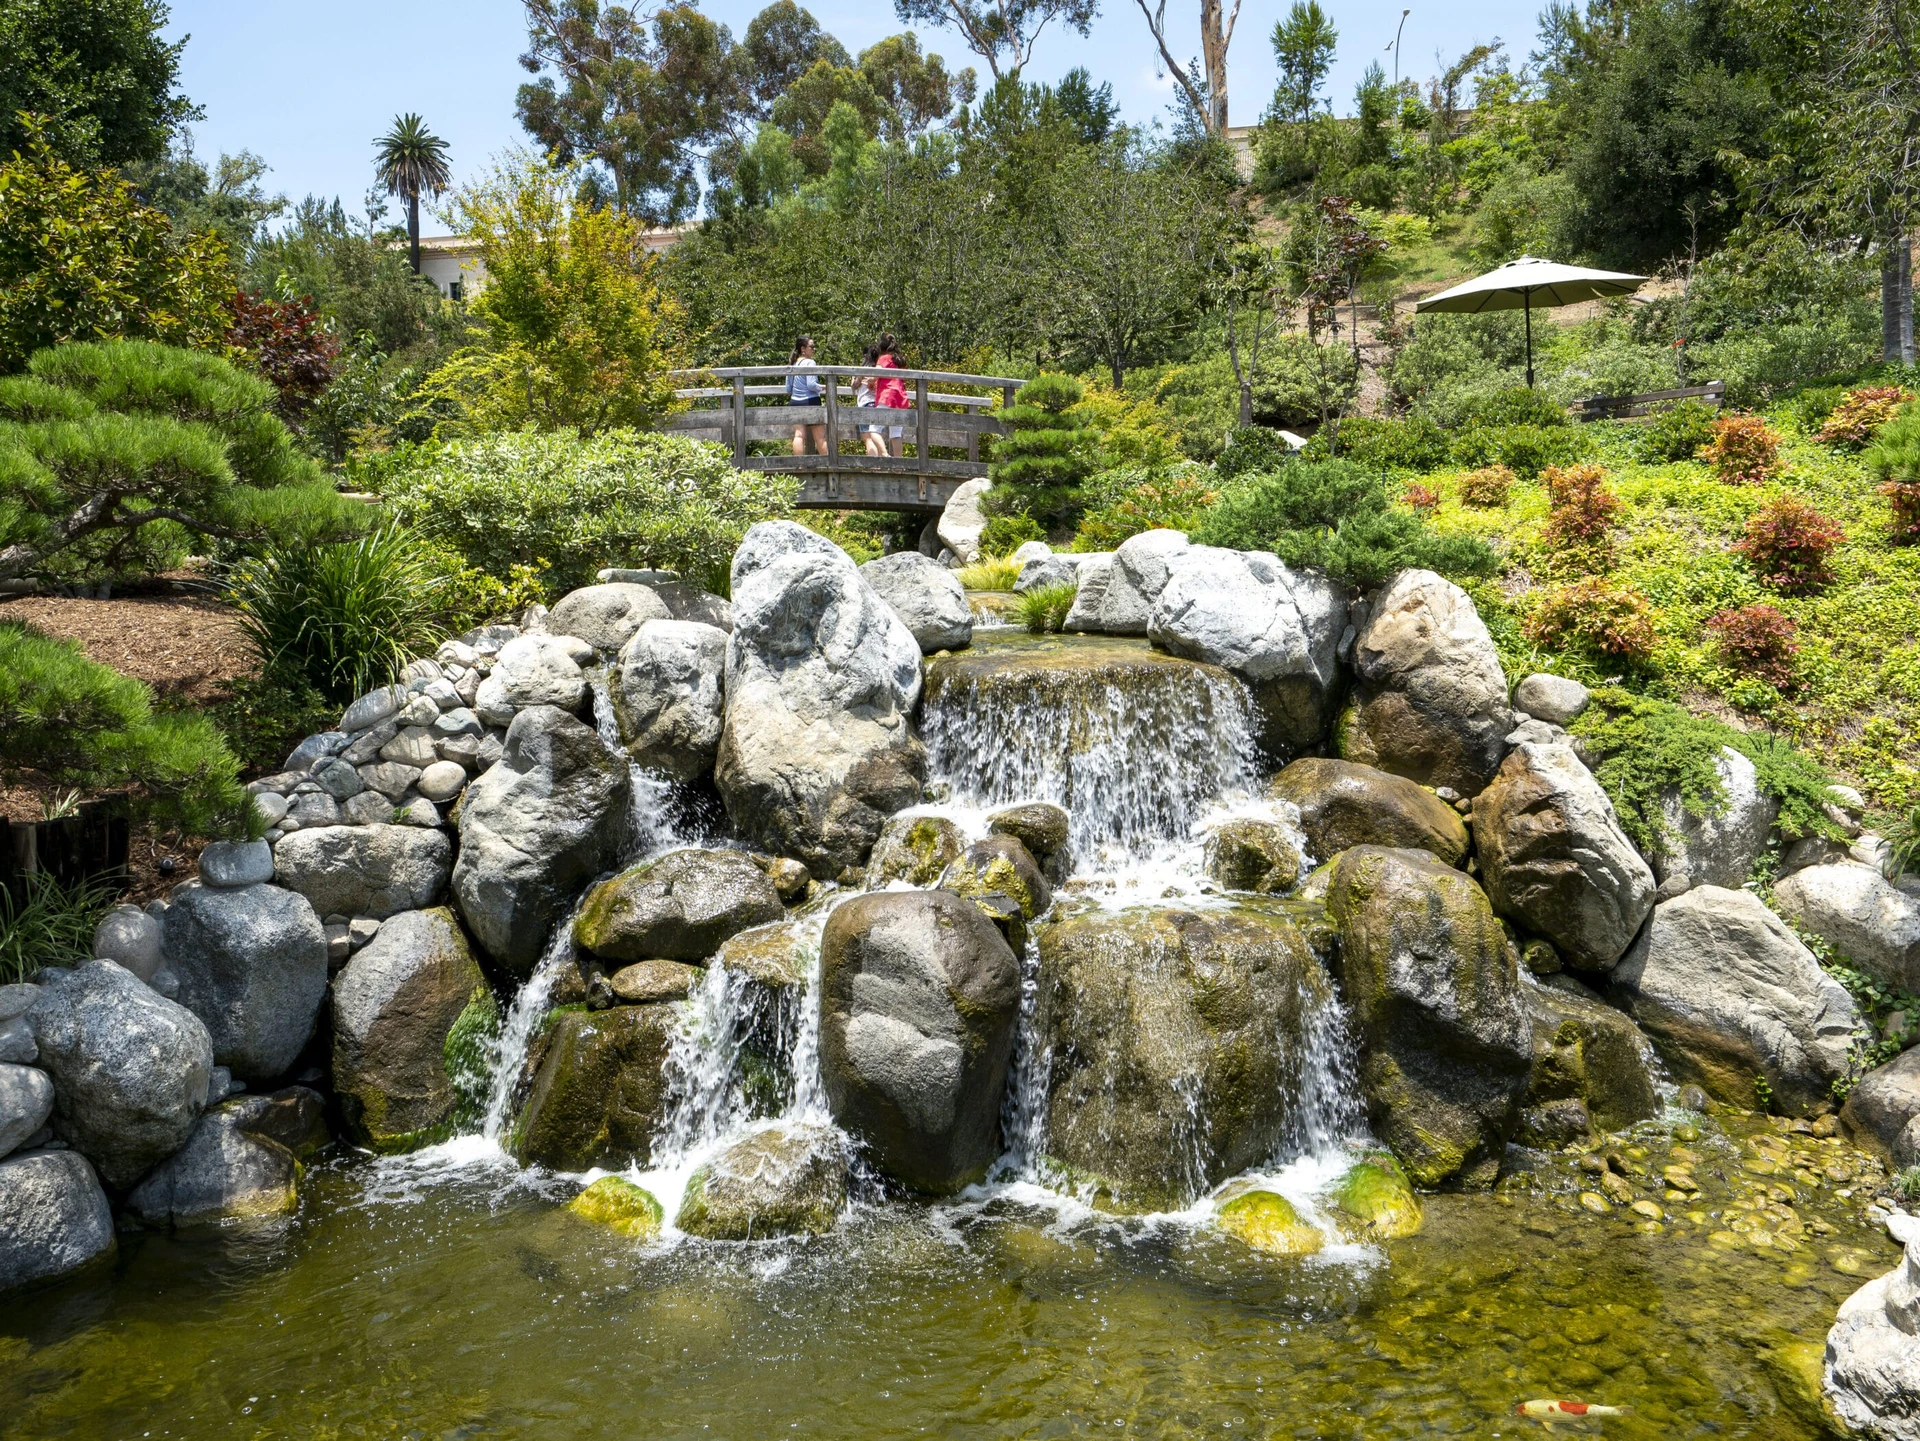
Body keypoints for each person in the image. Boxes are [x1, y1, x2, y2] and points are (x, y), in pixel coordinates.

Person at [786, 335, 825, 455]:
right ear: (803, 348)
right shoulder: (810, 362)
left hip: (795, 402)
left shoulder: (793, 363)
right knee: (820, 437)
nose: (814, 349)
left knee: (799, 436)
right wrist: (823, 387)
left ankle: (800, 466)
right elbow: (811, 385)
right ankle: (830, 464)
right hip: (810, 401)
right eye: (812, 347)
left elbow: (788, 388)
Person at [873, 332, 908, 458]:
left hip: (887, 396)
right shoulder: (899, 360)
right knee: (896, 434)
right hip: (900, 397)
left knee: (873, 430)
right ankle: (899, 464)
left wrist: (870, 380)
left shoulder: (884, 358)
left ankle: (885, 455)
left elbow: (875, 374)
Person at [854, 343, 887, 456]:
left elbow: (854, 385)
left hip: (865, 404)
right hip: (878, 405)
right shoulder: (879, 369)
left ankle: (874, 466)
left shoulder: (862, 369)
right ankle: (881, 465)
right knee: (878, 437)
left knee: (868, 438)